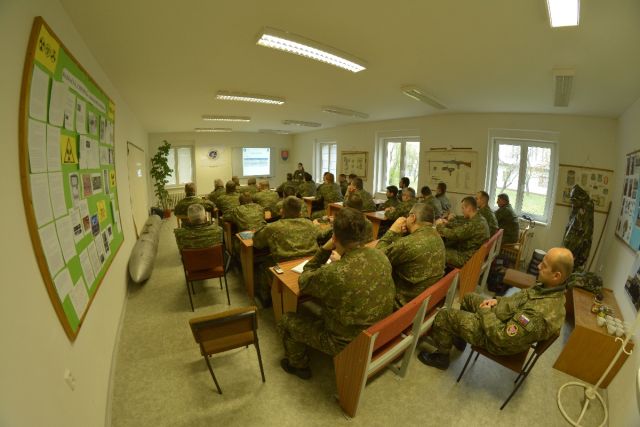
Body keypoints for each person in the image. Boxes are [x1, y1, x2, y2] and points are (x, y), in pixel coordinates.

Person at [277, 207, 395, 379]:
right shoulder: (380, 256)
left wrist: (324, 250)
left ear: (334, 237)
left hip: (346, 342)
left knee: (286, 320)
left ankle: (298, 365)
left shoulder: (334, 272)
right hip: (380, 330)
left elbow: (304, 281)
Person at [418, 247, 574, 369]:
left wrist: (485, 311)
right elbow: (517, 300)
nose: (538, 266)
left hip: (496, 341)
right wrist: (495, 301)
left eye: (544, 265)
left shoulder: (538, 314)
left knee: (444, 316)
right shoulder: (547, 287)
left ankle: (441, 358)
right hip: (501, 319)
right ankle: (460, 339)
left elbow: (501, 337)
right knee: (468, 297)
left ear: (556, 276)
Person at [376, 203, 445, 307]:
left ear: (413, 218)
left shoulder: (407, 244)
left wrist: (392, 231)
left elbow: (377, 256)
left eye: (408, 216)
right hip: (427, 299)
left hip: (404, 302)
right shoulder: (437, 236)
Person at [253, 197, 320, 303]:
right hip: (310, 263)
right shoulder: (309, 223)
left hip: (284, 264)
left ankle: (266, 299)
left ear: (282, 211)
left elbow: (257, 243)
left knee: (263, 265)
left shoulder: (273, 227)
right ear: (300, 211)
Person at [436, 196, 489, 268]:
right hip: (473, 253)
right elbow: (463, 227)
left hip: (466, 258)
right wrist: (448, 223)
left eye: (463, 208)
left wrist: (439, 226)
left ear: (469, 208)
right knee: (447, 244)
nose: (462, 211)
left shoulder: (474, 223)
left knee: (437, 250)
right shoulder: (480, 218)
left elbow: (454, 234)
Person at [562, 184, 594, 270]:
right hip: (569, 250)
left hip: (575, 253)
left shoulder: (584, 212)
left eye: (573, 200)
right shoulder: (576, 210)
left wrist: (573, 254)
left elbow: (583, 236)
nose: (572, 203)